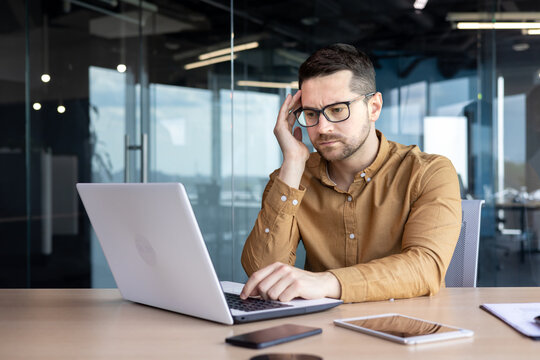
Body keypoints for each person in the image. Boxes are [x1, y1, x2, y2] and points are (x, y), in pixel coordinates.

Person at [240, 43, 462, 303]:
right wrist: (292, 161)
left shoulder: (428, 172)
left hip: (407, 329)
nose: (322, 128)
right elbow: (262, 274)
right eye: (311, 113)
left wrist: (328, 281)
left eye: (337, 110)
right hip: (321, 332)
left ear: (374, 108)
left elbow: (426, 267)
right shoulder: (292, 177)